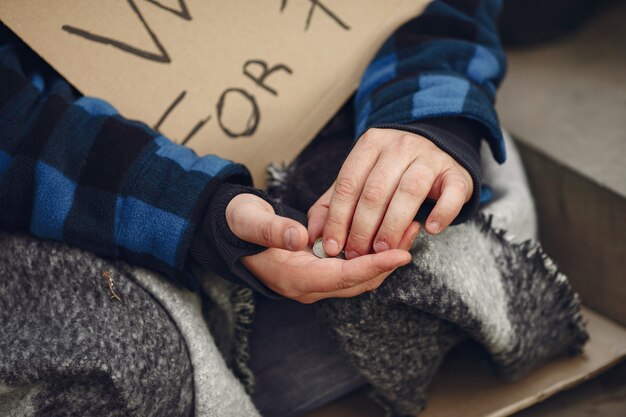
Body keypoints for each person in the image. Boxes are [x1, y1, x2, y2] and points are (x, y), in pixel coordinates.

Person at [0, 0, 506, 415]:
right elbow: (16, 128)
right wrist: (197, 214)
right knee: (122, 356)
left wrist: (431, 122)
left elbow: (450, 12)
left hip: (351, 94)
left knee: (445, 227)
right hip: (89, 159)